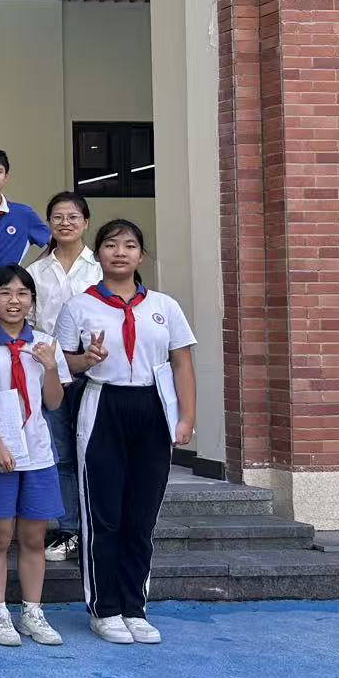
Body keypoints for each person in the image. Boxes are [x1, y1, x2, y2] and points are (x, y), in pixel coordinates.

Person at [56, 219, 196, 646]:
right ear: (97, 254)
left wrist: (186, 418)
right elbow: (63, 364)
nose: (120, 252)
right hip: (103, 404)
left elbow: (182, 364)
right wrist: (87, 359)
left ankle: (135, 607)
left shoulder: (164, 306)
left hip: (153, 407)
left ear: (141, 255)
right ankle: (105, 608)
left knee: (141, 515)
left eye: (130, 245)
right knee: (103, 515)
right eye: (111, 245)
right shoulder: (80, 306)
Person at [0, 266, 72, 648]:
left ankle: (32, 611)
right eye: (5, 293)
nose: (14, 301)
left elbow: (54, 402)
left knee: (34, 536)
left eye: (22, 293)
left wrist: (50, 367)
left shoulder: (45, 342)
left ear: (32, 300)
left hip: (37, 452)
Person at [28, 191, 101, 562]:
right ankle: (70, 528)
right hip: (51, 372)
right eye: (57, 217)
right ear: (49, 224)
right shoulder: (35, 272)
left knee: (96, 451)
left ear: (85, 222)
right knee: (60, 452)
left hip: (97, 371)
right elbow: (26, 321)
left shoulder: (101, 268)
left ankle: (98, 527)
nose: (65, 223)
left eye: (73, 217)